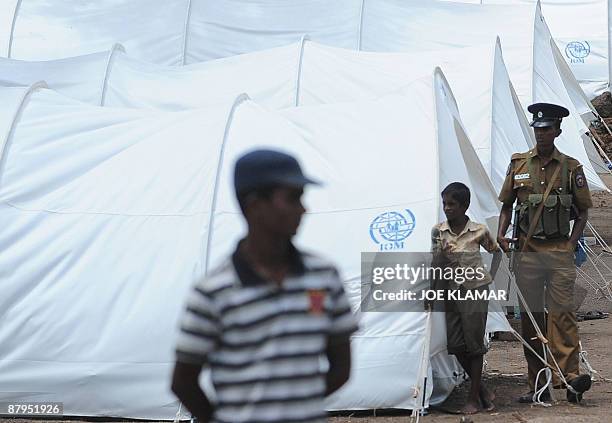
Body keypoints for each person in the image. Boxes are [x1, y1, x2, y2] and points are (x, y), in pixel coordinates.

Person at [171, 149, 358, 423]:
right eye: (293, 198)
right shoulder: (213, 291)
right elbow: (183, 381)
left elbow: (341, 367)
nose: (303, 208)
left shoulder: (324, 277)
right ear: (255, 205)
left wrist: (296, 407)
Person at [497, 103, 593, 403]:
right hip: (527, 253)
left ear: (557, 131)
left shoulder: (571, 168)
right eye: (537, 129)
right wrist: (501, 233)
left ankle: (572, 378)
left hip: (558, 253)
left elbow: (583, 212)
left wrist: (570, 243)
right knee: (531, 319)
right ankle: (538, 383)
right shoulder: (519, 164)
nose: (541, 134)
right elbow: (507, 205)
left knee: (563, 315)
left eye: (547, 129)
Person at [430, 182, 499, 414]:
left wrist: (490, 277)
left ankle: (473, 400)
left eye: (452, 204)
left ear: (465, 206)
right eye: (445, 204)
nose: (447, 208)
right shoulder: (438, 232)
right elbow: (436, 263)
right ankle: (482, 391)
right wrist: (433, 291)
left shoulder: (478, 231)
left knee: (474, 347)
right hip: (451, 291)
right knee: (457, 345)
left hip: (474, 291)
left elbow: (495, 251)